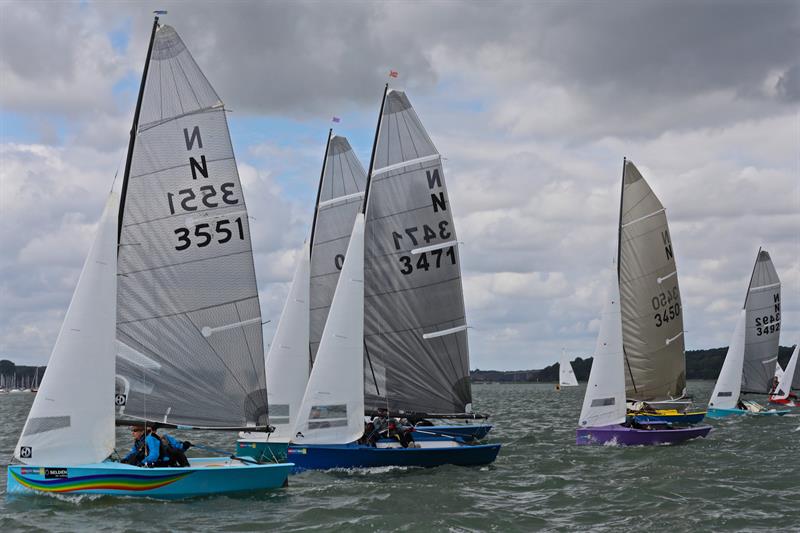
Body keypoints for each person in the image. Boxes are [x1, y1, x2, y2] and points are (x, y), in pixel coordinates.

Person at [121, 425, 191, 467]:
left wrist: (143, 463)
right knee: (134, 457)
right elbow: (134, 452)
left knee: (177, 451)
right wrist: (126, 459)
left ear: (142, 431)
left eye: (135, 430)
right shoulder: (138, 441)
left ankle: (186, 468)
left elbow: (154, 455)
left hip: (166, 460)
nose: (132, 433)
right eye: (132, 431)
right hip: (155, 460)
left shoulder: (150, 438)